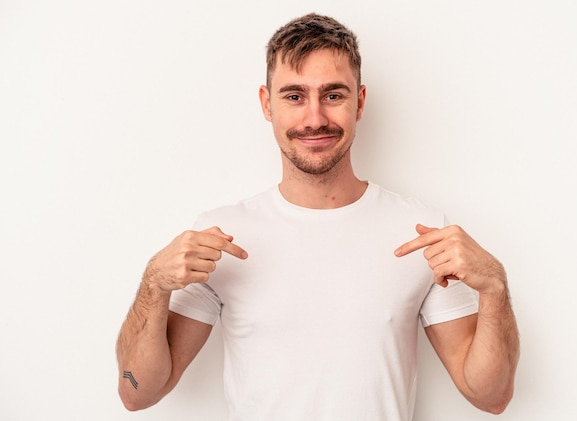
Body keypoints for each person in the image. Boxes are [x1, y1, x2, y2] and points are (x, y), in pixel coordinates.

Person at [116, 13, 520, 420]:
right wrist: (154, 284)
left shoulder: (420, 232)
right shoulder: (222, 236)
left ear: (359, 102)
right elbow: (137, 391)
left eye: (333, 95)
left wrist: (495, 290)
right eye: (294, 96)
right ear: (266, 103)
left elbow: (490, 396)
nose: (314, 118)